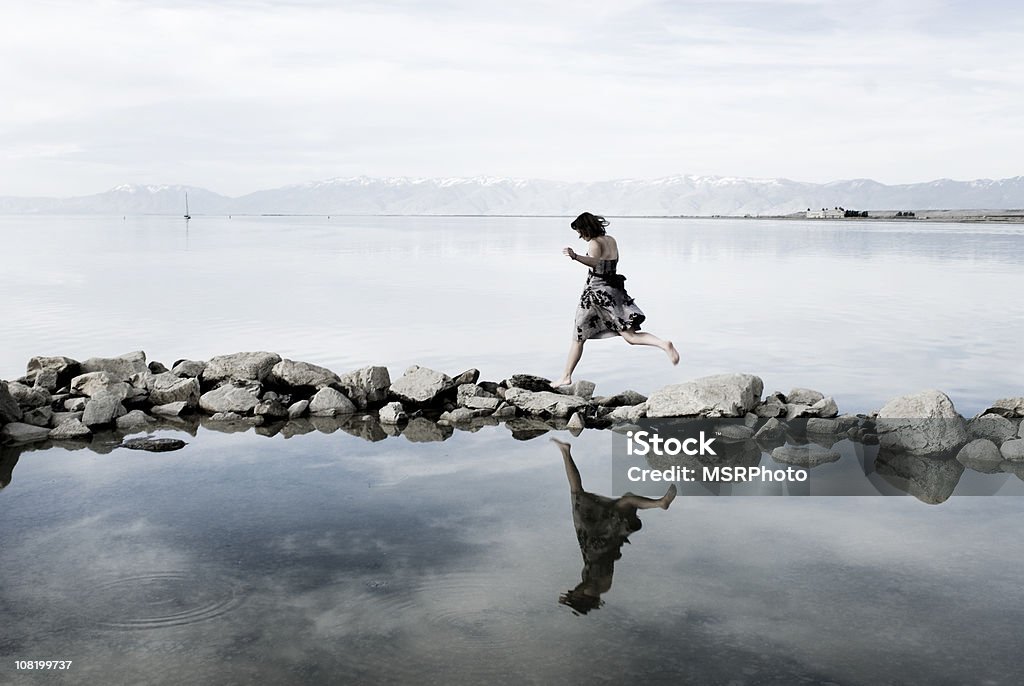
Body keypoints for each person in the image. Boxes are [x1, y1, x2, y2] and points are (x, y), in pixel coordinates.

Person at [552, 212, 679, 388]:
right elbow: (607, 263)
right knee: (630, 336)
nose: (580, 235)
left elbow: (594, 262)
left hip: (596, 295)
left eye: (580, 231)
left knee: (578, 336)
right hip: (614, 291)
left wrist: (575, 256)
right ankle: (663, 344)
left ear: (587, 228)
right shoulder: (611, 239)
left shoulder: (594, 243)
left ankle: (566, 376)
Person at [551, 438, 676, 615]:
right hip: (597, 537)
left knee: (625, 501)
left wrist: (572, 598)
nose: (574, 592)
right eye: (576, 596)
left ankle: (660, 503)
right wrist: (569, 598)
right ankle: (565, 452)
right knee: (579, 493)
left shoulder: (602, 588)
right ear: (584, 598)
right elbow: (588, 584)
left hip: (603, 538)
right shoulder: (595, 588)